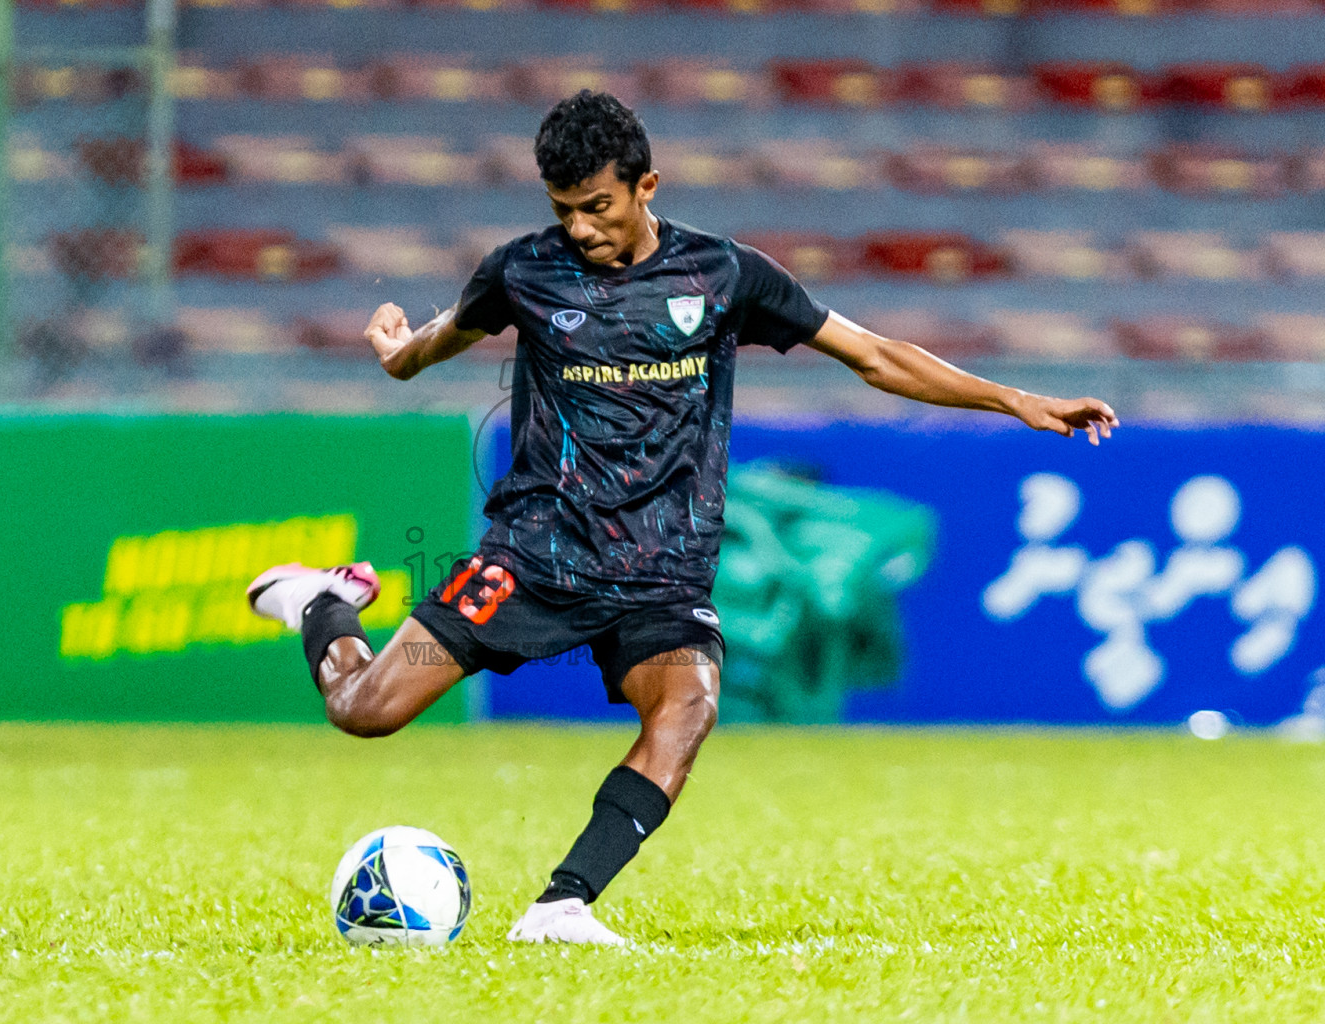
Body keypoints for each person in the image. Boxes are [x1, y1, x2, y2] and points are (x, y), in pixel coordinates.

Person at [248, 91, 1117, 944]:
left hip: (660, 576)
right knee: (364, 710)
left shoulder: (725, 275)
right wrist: (398, 352)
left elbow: (876, 356)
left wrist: (1015, 399)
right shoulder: (524, 270)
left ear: (646, 186)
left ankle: (561, 906)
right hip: (531, 563)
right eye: (565, 210)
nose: (582, 229)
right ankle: (322, 603)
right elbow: (434, 345)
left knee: (688, 704)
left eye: (598, 207)